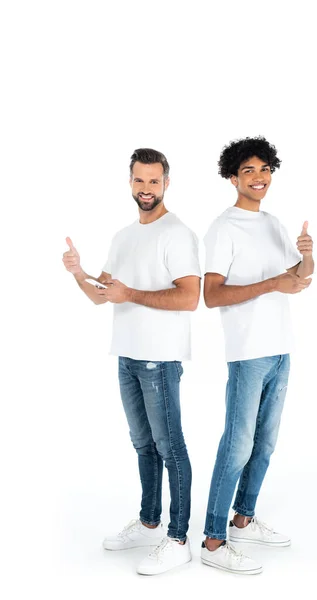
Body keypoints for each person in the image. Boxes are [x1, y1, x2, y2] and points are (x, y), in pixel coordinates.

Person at [62, 148, 201, 575]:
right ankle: (149, 521)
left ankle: (178, 538)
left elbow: (189, 297)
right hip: (126, 356)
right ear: (130, 183)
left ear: (166, 183)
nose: (146, 189)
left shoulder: (177, 234)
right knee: (143, 445)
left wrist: (131, 294)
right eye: (139, 181)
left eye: (154, 181)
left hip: (160, 361)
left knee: (170, 447)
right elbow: (103, 295)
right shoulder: (123, 236)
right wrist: (77, 272)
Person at [200, 136, 314, 574]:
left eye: (264, 169)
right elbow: (211, 295)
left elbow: (298, 279)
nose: (259, 177)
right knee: (237, 446)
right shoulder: (223, 227)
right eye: (248, 170)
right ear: (233, 178)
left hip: (281, 349)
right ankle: (213, 541)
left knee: (264, 445)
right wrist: (272, 284)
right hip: (248, 353)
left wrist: (307, 257)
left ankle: (243, 519)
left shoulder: (273, 223)